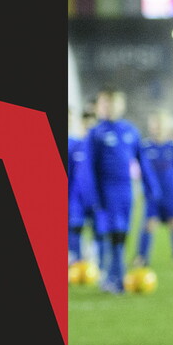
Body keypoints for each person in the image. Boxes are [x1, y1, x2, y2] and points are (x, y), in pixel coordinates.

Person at [87, 86, 159, 293]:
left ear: (122, 105)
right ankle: (116, 280)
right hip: (106, 191)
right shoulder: (96, 133)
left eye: (114, 103)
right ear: (100, 107)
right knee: (114, 235)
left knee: (122, 235)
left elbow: (142, 161)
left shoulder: (130, 131)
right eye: (105, 104)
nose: (109, 108)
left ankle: (110, 277)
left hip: (126, 191)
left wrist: (151, 187)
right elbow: (89, 169)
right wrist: (94, 195)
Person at [134, 108, 173, 267]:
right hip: (152, 195)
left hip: (171, 195)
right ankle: (142, 258)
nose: (157, 128)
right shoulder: (145, 147)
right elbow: (141, 172)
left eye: (160, 124)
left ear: (167, 127)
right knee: (149, 224)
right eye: (154, 124)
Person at [68, 107, 97, 266]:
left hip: (96, 196)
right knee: (75, 227)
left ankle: (94, 261)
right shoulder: (76, 146)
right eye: (86, 125)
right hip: (76, 196)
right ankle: (75, 262)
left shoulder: (101, 148)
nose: (88, 129)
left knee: (98, 230)